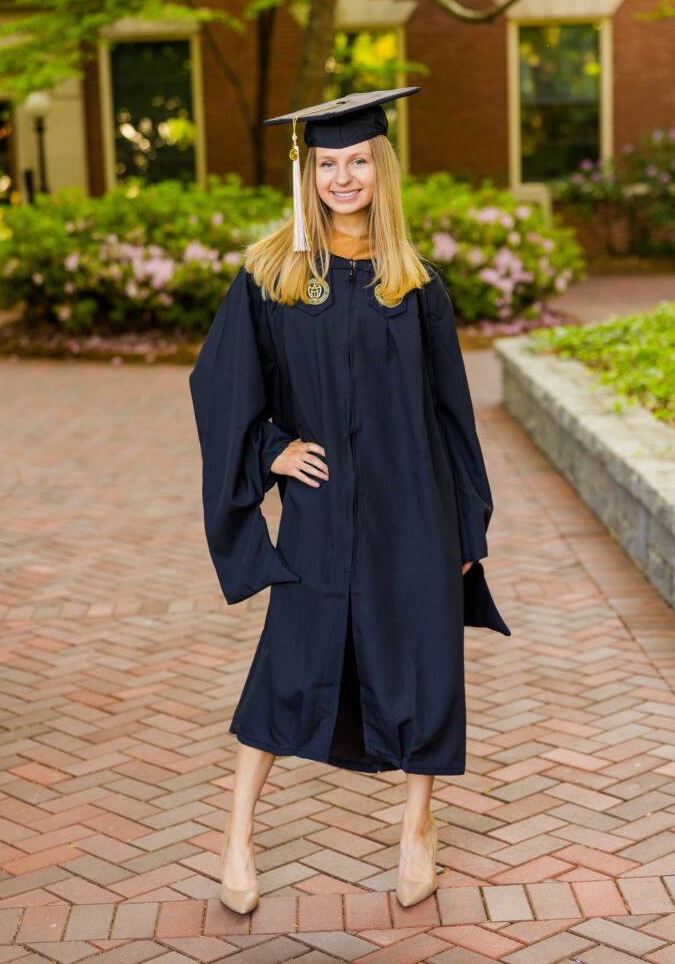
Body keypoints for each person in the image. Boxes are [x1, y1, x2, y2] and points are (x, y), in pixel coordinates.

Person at [188, 88, 510, 916]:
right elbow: (220, 388)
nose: (342, 176)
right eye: (327, 163)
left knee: (425, 663)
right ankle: (236, 838)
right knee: (290, 663)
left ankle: (416, 830)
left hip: (415, 510)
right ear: (308, 174)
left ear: (381, 169)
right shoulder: (273, 276)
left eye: (357, 161)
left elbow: (452, 414)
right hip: (324, 513)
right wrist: (270, 450)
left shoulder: (415, 283)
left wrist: (466, 524)